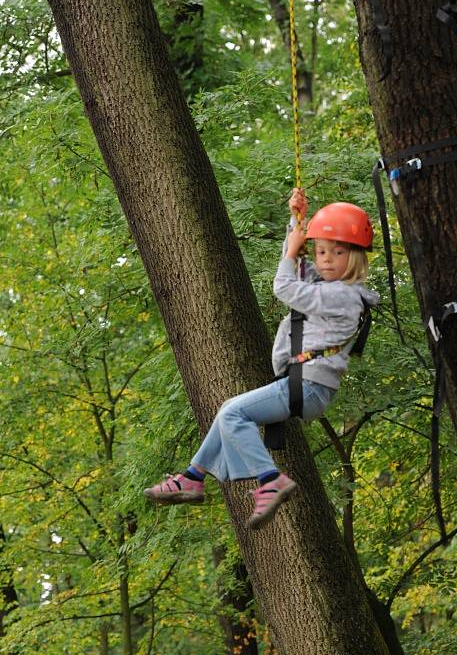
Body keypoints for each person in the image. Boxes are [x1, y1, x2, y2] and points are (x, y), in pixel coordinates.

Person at [144, 188, 379, 529]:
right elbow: (297, 265)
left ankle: (270, 479)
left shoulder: (343, 297)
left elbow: (285, 286)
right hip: (302, 383)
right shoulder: (328, 286)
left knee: (232, 412)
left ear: (356, 257)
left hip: (310, 386)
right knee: (229, 415)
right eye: (321, 251)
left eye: (337, 252)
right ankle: (193, 477)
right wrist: (296, 220)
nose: (326, 258)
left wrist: (294, 250)